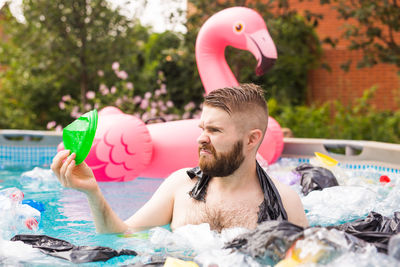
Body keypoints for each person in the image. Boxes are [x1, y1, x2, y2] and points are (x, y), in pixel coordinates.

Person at [51, 83, 308, 234]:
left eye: (215, 131)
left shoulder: (285, 203)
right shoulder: (180, 187)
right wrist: (92, 193)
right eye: (202, 129)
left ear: (252, 139)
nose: (201, 139)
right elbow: (121, 236)